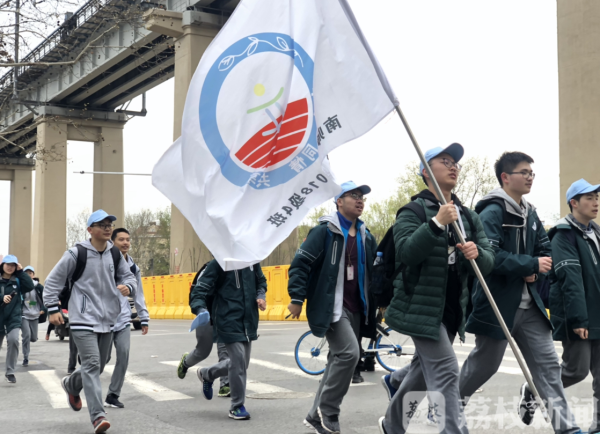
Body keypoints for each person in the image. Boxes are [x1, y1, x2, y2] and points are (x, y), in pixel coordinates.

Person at [458, 152, 581, 434]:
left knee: (549, 367)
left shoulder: (531, 212)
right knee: (484, 365)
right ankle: (448, 404)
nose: (529, 177)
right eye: (523, 172)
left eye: (531, 173)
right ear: (505, 177)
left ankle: (567, 428)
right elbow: (489, 256)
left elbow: (545, 251)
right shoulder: (491, 212)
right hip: (498, 303)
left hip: (530, 306)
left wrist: (536, 271)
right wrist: (529, 264)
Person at [378, 143, 495, 434]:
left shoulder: (468, 216)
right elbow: (406, 253)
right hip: (419, 306)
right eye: (445, 161)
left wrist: (477, 253)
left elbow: (489, 260)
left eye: (455, 163)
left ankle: (392, 425)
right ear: (425, 171)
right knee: (446, 370)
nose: (453, 166)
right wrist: (435, 224)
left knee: (421, 373)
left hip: (453, 308)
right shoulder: (413, 211)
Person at [288, 180, 378, 434]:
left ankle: (314, 415)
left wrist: (380, 302)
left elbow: (374, 272)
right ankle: (328, 410)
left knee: (336, 358)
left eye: (362, 197)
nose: (359, 200)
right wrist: (297, 298)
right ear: (339, 201)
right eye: (353, 195)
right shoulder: (324, 232)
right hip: (332, 306)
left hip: (358, 307)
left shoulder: (366, 235)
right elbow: (301, 264)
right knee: (349, 354)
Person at [44, 210, 136, 434]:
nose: (107, 228)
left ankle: (71, 384)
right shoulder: (76, 254)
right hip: (82, 318)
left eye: (109, 224)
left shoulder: (115, 254)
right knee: (93, 364)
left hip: (109, 319)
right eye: (102, 224)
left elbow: (129, 276)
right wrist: (53, 308)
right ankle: (98, 416)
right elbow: (52, 281)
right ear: (90, 230)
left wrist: (128, 286)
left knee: (100, 364)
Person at [549, 179, 600, 434]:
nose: (596, 202)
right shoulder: (563, 235)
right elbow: (571, 280)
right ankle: (534, 390)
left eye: (597, 197)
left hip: (598, 314)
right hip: (580, 316)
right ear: (574, 203)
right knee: (576, 371)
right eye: (589, 198)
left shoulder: (596, 232)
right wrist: (579, 319)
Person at [193, 259, 267, 420]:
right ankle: (237, 406)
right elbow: (199, 290)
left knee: (241, 363)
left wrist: (261, 295)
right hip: (227, 320)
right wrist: (200, 309)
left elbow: (261, 281)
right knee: (238, 362)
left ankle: (207, 374)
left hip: (249, 320)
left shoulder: (252, 261)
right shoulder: (219, 263)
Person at [104, 228, 150, 409]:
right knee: (101, 360)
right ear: (112, 241)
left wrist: (143, 317)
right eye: (121, 239)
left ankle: (113, 395)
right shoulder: (103, 261)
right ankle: (74, 382)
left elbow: (138, 293)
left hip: (123, 319)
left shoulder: (133, 267)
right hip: (103, 318)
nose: (125, 243)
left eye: (128, 240)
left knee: (123, 355)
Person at [177, 263, 231, 398]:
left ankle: (225, 384)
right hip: (207, 314)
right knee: (202, 351)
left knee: (226, 350)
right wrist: (201, 310)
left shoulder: (238, 268)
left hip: (226, 317)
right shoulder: (210, 268)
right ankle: (186, 362)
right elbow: (196, 293)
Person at [0, 255, 34, 383]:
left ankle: (10, 372)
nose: (10, 267)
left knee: (14, 340)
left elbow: (30, 286)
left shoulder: (18, 280)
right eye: (8, 264)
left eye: (13, 265)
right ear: (2, 265)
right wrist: (1, 297)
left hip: (14, 317)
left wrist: (21, 272)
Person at [21, 266, 45, 366]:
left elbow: (45, 299)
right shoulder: (21, 286)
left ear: (33, 275)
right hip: (24, 314)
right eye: (26, 273)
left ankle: (28, 337)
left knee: (33, 338)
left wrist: (43, 309)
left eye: (30, 273)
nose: (28, 275)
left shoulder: (39, 287)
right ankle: (25, 357)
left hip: (35, 314)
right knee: (26, 336)